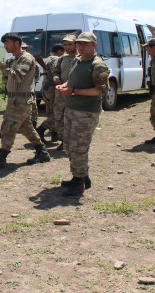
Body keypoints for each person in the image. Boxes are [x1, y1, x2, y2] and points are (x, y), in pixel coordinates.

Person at [0, 33, 49, 168]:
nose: (5, 46)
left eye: (7, 43)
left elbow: (18, 76)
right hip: (16, 98)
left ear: (17, 43)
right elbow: (8, 75)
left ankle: (1, 157)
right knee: (26, 127)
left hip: (21, 99)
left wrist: (2, 68)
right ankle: (42, 152)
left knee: (8, 127)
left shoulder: (26, 58)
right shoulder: (15, 58)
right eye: (4, 43)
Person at [55, 32, 110, 196]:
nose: (81, 46)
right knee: (69, 145)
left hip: (86, 112)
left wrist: (73, 91)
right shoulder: (78, 60)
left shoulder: (97, 65)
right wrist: (65, 86)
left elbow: (101, 91)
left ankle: (78, 183)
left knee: (79, 147)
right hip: (71, 109)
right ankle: (81, 177)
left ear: (94, 45)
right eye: (79, 43)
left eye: (85, 44)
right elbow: (71, 80)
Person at [52, 34, 78, 151]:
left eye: (70, 44)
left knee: (72, 118)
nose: (67, 47)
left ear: (76, 44)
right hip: (60, 93)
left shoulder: (80, 59)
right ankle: (63, 140)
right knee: (59, 116)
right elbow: (56, 71)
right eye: (65, 44)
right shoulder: (62, 58)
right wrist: (56, 78)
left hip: (74, 93)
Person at [36, 43, 64, 143]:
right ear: (60, 51)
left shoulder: (48, 58)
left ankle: (54, 134)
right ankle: (41, 129)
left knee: (51, 111)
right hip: (53, 89)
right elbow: (54, 72)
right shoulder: (55, 59)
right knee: (58, 113)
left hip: (46, 89)